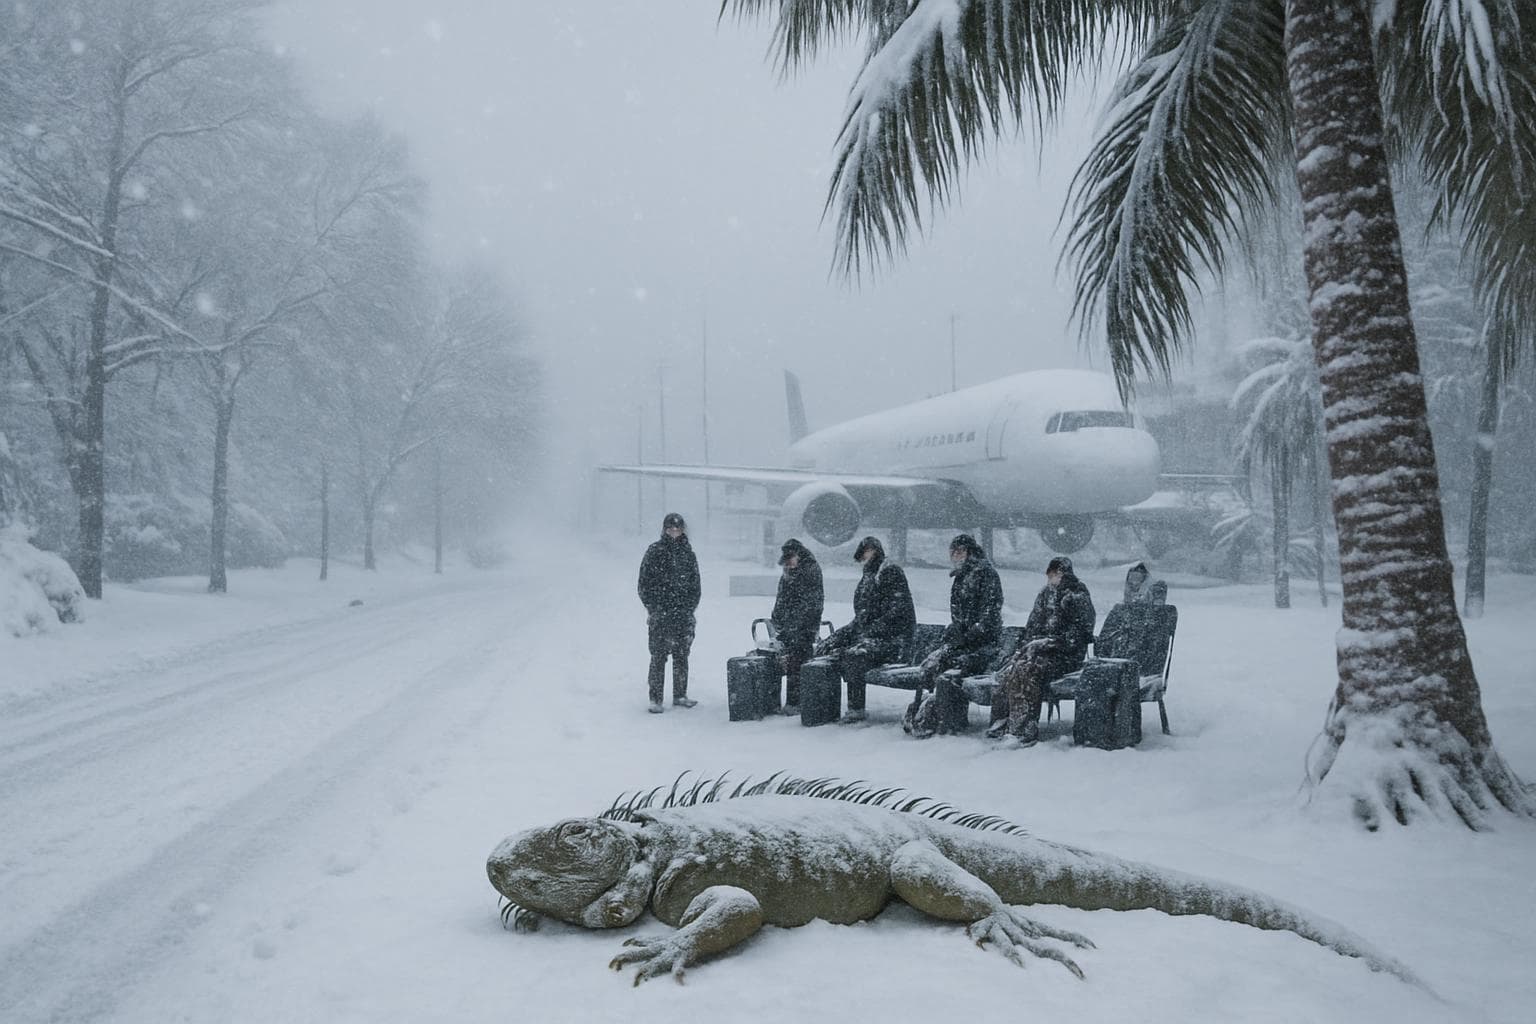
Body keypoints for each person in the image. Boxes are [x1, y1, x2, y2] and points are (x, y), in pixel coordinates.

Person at [990, 554, 1096, 745]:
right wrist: (1032, 643)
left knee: (1029, 671)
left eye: (1054, 574)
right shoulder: (1045, 594)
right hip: (1040, 651)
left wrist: (1051, 643)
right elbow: (1033, 625)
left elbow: (1079, 634)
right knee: (1009, 670)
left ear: (1063, 574)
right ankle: (1003, 721)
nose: (1051, 579)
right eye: (1049, 575)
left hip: (1066, 657)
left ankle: (1024, 727)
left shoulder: (1077, 595)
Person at [815, 535, 915, 724]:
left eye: (868, 551)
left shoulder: (889, 572)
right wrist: (836, 637)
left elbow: (898, 612)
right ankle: (823, 708)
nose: (865, 556)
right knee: (831, 651)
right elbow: (861, 620)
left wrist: (870, 632)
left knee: (855, 655)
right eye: (863, 553)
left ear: (876, 551)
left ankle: (856, 710)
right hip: (876, 640)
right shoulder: (869, 576)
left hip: (895, 642)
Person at [908, 533, 1003, 733]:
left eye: (959, 551)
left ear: (970, 553)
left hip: (984, 645)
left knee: (954, 668)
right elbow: (959, 616)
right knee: (933, 663)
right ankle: (933, 712)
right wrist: (956, 632)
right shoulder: (961, 576)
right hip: (966, 641)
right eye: (952, 552)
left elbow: (989, 614)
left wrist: (969, 634)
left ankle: (947, 719)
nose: (955, 556)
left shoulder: (985, 575)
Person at [637, 512, 701, 713]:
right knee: (658, 656)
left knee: (682, 656)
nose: (674, 532)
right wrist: (654, 608)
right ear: (664, 530)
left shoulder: (688, 554)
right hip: (661, 614)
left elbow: (695, 585)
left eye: (677, 529)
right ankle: (655, 699)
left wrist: (689, 608)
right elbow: (643, 584)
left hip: (682, 614)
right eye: (670, 528)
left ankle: (680, 695)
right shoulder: (654, 551)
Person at [770, 538, 824, 715]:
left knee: (797, 661)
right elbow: (781, 599)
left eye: (790, 559)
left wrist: (799, 625)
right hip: (790, 626)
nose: (788, 564)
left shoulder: (810, 571)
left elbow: (812, 604)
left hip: (804, 628)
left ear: (798, 555)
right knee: (788, 660)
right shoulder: (789, 571)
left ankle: (796, 702)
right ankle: (791, 702)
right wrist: (777, 620)